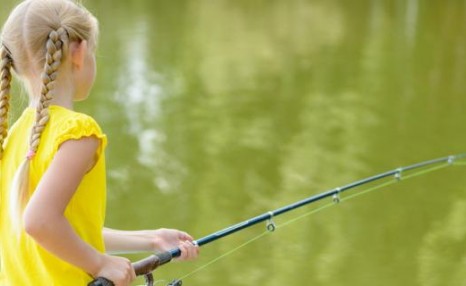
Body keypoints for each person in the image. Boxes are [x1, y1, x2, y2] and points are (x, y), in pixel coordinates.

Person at [0, 0, 199, 285]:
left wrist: (151, 239)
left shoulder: (14, 135)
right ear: (79, 52)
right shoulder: (78, 132)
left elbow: (64, 232)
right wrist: (100, 262)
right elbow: (39, 221)